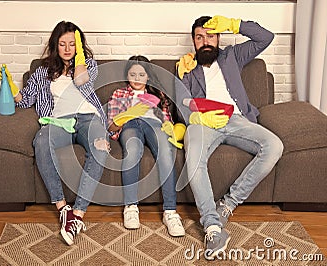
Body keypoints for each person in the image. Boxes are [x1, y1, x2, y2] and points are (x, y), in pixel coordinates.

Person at [175, 15, 284, 259]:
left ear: (219, 36)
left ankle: (228, 204)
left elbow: (266, 37)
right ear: (193, 41)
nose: (205, 42)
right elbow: (180, 106)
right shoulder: (187, 66)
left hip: (236, 121)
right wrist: (183, 81)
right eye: (199, 37)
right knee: (193, 159)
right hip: (203, 124)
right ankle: (212, 226)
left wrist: (237, 25)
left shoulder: (233, 56)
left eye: (210, 36)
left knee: (274, 146)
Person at [0, 21, 110, 246]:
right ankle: (63, 209)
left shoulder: (87, 65)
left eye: (72, 44)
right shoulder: (42, 72)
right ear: (55, 45)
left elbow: (81, 80)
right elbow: (25, 101)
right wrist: (9, 86)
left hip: (89, 119)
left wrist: (80, 54)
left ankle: (77, 215)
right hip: (60, 122)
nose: (67, 49)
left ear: (78, 45)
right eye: (62, 44)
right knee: (40, 141)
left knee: (100, 147)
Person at [107, 55, 185, 237]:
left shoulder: (158, 95)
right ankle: (131, 207)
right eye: (132, 74)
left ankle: (170, 212)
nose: (137, 78)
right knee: (133, 150)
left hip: (154, 124)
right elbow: (111, 126)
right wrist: (125, 116)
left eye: (141, 74)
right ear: (127, 75)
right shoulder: (119, 94)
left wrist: (168, 126)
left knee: (166, 151)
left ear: (148, 76)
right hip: (130, 124)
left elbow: (167, 119)